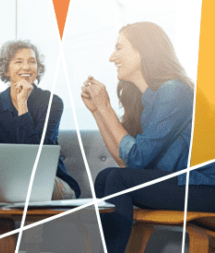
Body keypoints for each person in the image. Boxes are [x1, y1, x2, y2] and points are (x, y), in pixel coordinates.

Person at [81, 22, 215, 253]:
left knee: (115, 179)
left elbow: (138, 159)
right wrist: (97, 112)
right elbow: (127, 163)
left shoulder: (174, 91)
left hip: (204, 189)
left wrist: (106, 109)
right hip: (180, 184)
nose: (112, 57)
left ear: (143, 50)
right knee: (107, 177)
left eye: (119, 48)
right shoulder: (149, 100)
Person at [0, 40, 81, 199]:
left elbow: (38, 156)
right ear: (6, 70)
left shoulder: (52, 102)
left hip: (48, 178)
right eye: (18, 62)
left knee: (26, 185)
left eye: (32, 62)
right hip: (7, 180)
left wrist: (22, 104)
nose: (26, 67)